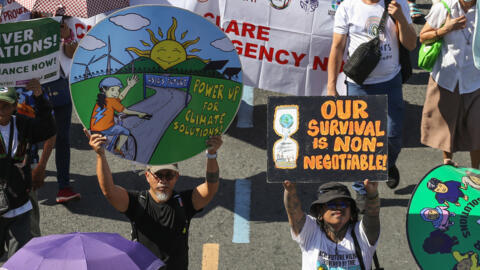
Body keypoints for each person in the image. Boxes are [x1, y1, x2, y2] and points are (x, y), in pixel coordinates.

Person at [86, 130, 222, 269]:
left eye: (169, 175)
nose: (163, 181)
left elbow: (210, 189)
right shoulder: (137, 202)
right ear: (147, 176)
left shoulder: (185, 202)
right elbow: (109, 191)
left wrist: (212, 155)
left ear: (176, 177)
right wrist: (100, 155)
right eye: (158, 175)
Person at [327, 0, 417, 189]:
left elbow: (410, 44)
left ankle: (386, 164)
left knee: (393, 136)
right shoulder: (347, 7)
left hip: (390, 83)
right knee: (359, 144)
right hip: (359, 86)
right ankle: (360, 190)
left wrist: (400, 17)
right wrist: (331, 86)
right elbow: (337, 47)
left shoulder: (398, 4)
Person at [419, 0, 480, 169]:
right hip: (447, 76)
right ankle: (447, 165)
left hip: (475, 79)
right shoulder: (443, 7)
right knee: (445, 128)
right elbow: (423, 37)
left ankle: (476, 173)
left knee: (477, 129)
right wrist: (445, 29)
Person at [0, 86, 56, 258]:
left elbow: (48, 128)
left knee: (20, 259)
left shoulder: (23, 124)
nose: (0, 110)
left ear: (15, 106)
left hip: (20, 205)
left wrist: (39, 97)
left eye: (5, 105)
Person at [283, 180, 380, 269]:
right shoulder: (311, 232)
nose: (338, 207)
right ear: (320, 213)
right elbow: (293, 210)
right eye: (331, 204)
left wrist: (372, 194)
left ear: (351, 212)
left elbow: (373, 214)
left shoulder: (362, 234)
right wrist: (290, 190)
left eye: (344, 204)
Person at [90, 76, 149, 157]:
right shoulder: (111, 101)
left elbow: (120, 97)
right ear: (104, 89)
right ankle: (117, 149)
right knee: (126, 132)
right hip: (105, 128)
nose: (116, 92)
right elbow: (125, 110)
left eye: (118, 90)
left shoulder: (102, 100)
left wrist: (129, 86)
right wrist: (139, 113)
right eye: (113, 90)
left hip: (94, 129)